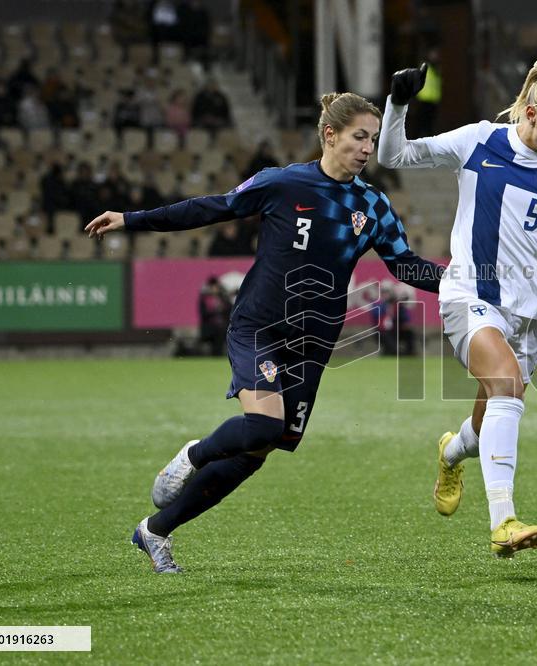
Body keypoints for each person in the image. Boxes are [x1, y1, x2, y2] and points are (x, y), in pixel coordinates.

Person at [86, 92, 443, 573]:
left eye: (374, 140)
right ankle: (192, 455)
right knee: (262, 426)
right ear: (330, 134)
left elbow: (408, 267)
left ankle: (154, 532)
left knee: (258, 451)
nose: (367, 148)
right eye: (360, 137)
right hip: (260, 325)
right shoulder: (283, 183)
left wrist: (469, 286)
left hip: (314, 343)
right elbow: (212, 208)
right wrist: (132, 219)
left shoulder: (373, 206)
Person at [378, 59, 537, 558]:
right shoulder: (478, 142)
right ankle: (503, 521)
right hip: (469, 295)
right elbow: (395, 155)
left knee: (493, 416)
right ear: (530, 113)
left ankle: (451, 452)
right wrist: (398, 104)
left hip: (530, 313)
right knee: (506, 385)